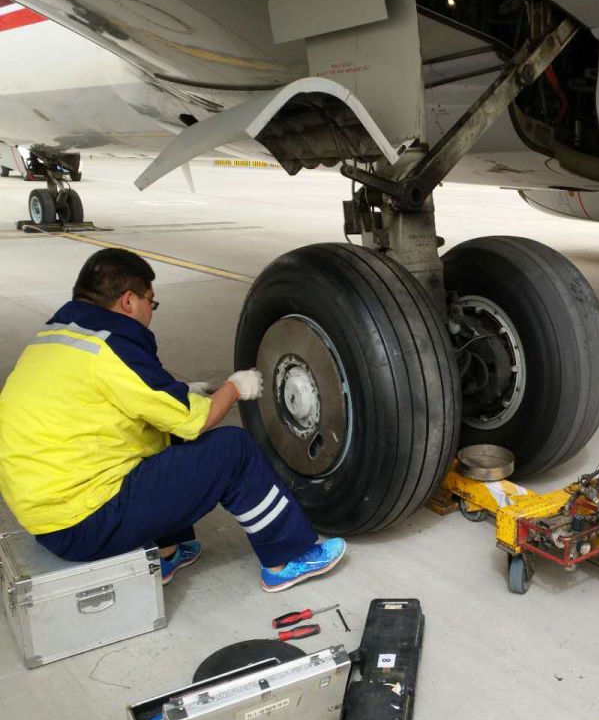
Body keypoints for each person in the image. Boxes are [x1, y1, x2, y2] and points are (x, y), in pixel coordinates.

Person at [0, 248, 345, 593]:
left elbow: (121, 400)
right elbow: (197, 420)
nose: (152, 310)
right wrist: (235, 387)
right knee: (233, 450)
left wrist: (182, 392)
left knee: (162, 433)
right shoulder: (114, 348)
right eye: (152, 301)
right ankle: (287, 558)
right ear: (129, 302)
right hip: (85, 524)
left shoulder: (60, 337)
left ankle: (165, 553)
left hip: (48, 518)